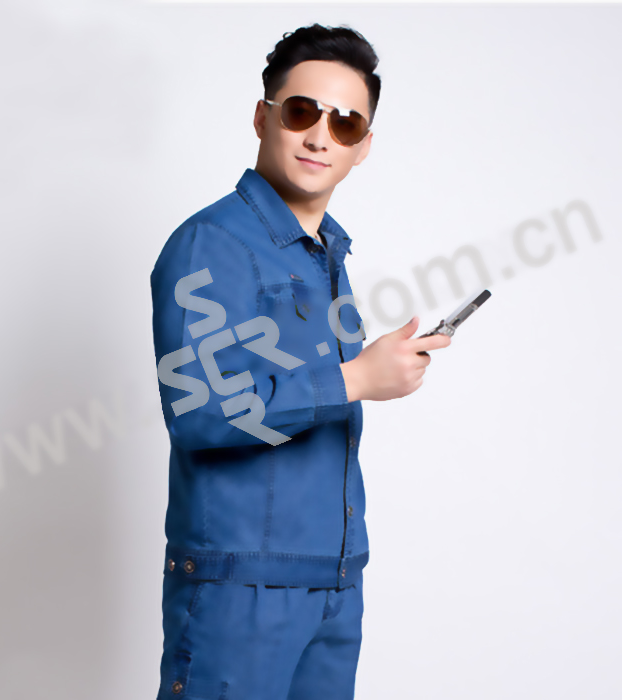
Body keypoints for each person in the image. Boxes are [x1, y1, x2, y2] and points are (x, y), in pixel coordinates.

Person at [150, 23, 451, 700]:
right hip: (241, 589)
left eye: (345, 123)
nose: (320, 136)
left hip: (332, 582)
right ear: (263, 117)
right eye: (301, 112)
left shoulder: (325, 254)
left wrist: (373, 372)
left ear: (363, 147)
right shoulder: (210, 243)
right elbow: (200, 412)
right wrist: (356, 378)